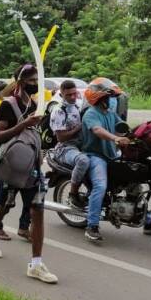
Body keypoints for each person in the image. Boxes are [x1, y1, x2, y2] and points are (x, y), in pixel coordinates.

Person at [0, 64, 58, 284]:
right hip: (12, 166)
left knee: (37, 210)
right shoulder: (8, 104)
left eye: (37, 80)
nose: (35, 84)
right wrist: (24, 123)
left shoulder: (33, 104)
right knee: (4, 205)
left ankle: (36, 264)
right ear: (21, 81)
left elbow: (35, 134)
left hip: (32, 166)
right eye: (32, 80)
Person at [80, 78, 130, 242]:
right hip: (95, 156)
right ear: (100, 98)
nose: (112, 101)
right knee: (100, 186)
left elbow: (123, 128)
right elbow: (97, 130)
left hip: (111, 155)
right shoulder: (91, 114)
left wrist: (138, 135)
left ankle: (146, 219)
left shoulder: (110, 114)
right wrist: (115, 138)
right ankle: (92, 226)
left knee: (134, 179)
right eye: (109, 98)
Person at [50, 80, 91, 209]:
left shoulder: (78, 106)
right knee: (83, 161)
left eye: (74, 93)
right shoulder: (58, 111)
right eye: (69, 95)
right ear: (62, 94)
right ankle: (73, 194)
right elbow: (61, 137)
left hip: (81, 145)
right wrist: (78, 128)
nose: (73, 97)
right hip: (65, 148)